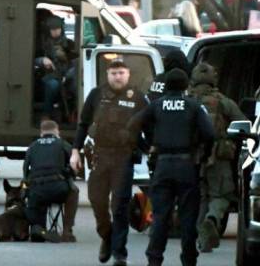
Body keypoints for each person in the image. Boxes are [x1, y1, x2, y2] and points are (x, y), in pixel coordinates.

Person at [128, 68, 215, 266]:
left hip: (163, 165)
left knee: (160, 216)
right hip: (186, 166)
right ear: (186, 85)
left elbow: (132, 126)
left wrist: (147, 146)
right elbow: (209, 134)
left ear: (166, 85)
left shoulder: (157, 105)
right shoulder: (193, 106)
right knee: (187, 217)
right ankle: (188, 259)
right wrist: (203, 155)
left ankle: (154, 259)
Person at [70, 59, 147, 266]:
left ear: (128, 74)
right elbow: (84, 124)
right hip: (99, 155)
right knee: (97, 201)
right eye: (114, 73)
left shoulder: (138, 98)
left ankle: (119, 254)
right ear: (107, 75)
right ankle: (107, 235)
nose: (118, 76)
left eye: (121, 72)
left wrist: (154, 150)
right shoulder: (96, 95)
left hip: (123, 157)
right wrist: (75, 151)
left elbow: (149, 127)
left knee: (119, 205)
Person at [187, 62, 246, 253]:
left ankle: (202, 239)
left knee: (201, 196)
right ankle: (212, 219)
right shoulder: (223, 101)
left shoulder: (186, 101)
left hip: (191, 158)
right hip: (218, 157)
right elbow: (243, 123)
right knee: (221, 195)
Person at [24, 120, 79, 243]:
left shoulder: (32, 146)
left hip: (37, 192)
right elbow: (75, 167)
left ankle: (38, 229)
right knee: (74, 191)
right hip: (58, 190)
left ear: (41, 133)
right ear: (57, 131)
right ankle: (67, 231)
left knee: (35, 197)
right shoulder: (63, 144)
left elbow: (25, 172)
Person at [35, 15, 76, 120]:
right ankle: (46, 114)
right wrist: (42, 60)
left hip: (67, 76)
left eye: (58, 29)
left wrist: (67, 75)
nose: (56, 31)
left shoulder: (69, 44)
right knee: (52, 85)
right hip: (47, 75)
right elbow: (31, 59)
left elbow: (76, 62)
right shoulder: (41, 44)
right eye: (53, 29)